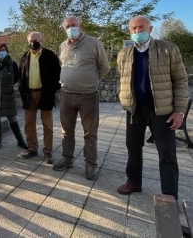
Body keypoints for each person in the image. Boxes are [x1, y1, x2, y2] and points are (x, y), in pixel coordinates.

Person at [116, 16, 188, 199]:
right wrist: (124, 99)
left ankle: (169, 193)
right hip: (135, 110)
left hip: (162, 110)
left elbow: (180, 80)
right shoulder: (124, 53)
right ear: (129, 31)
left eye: (141, 27)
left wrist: (179, 111)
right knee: (133, 147)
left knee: (166, 152)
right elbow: (122, 78)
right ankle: (133, 182)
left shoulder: (167, 49)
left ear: (150, 28)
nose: (138, 31)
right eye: (134, 28)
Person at [53, 16, 110, 180]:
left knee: (90, 133)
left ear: (80, 25)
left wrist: (91, 81)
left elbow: (104, 66)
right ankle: (66, 159)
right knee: (66, 131)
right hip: (66, 95)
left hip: (88, 96)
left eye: (74, 25)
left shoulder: (94, 43)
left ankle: (90, 165)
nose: (71, 28)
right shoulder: (62, 46)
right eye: (68, 26)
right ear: (64, 29)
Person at [18, 32, 61, 162]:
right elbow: (21, 77)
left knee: (47, 125)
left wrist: (50, 91)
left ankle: (48, 151)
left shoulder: (50, 55)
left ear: (41, 41)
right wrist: (23, 91)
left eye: (36, 40)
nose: (34, 42)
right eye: (31, 40)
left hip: (45, 94)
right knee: (29, 124)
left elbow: (57, 75)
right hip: (29, 95)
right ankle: (32, 148)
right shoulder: (24, 57)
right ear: (28, 41)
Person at [0, 43, 27, 150]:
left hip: (8, 95)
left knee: (12, 117)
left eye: (3, 50)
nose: (1, 52)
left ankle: (20, 140)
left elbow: (17, 77)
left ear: (7, 51)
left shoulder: (12, 64)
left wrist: (8, 85)